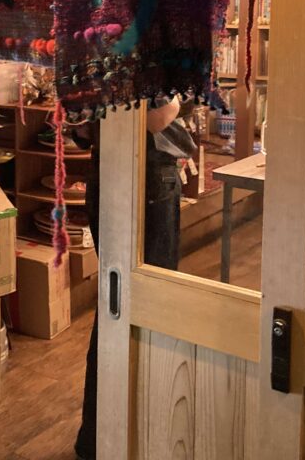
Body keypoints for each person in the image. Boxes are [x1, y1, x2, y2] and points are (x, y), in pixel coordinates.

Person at [73, 97, 196, 460]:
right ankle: (137, 437)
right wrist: (181, 97)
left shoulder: (92, 58)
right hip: (146, 172)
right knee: (147, 306)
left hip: (107, 168)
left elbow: (79, 126)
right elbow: (157, 117)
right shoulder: (145, 58)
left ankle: (98, 438)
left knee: (116, 304)